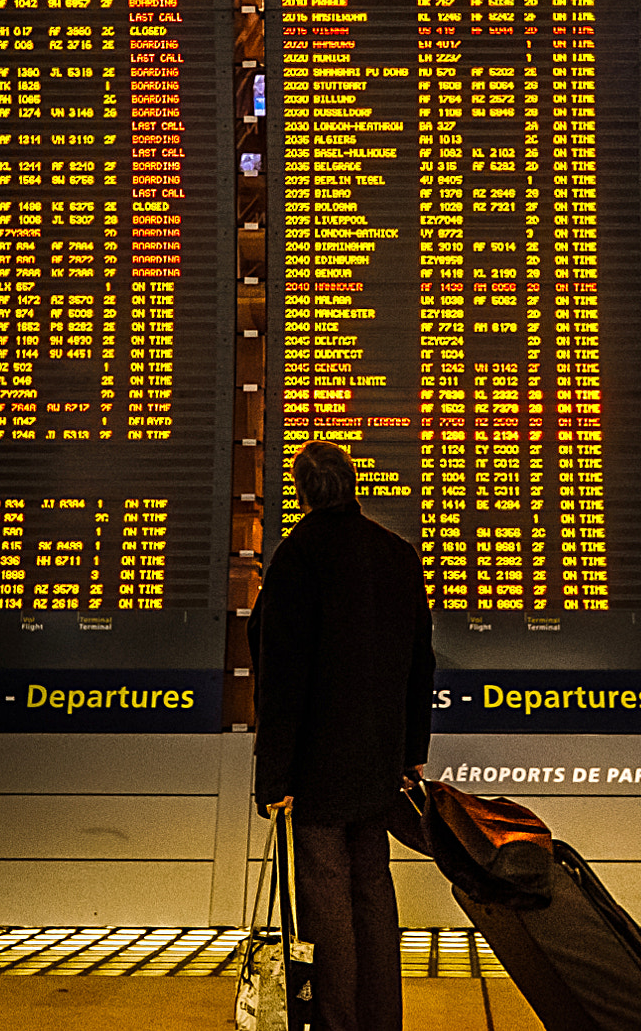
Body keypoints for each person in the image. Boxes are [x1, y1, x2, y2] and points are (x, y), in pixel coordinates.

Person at [249, 441, 434, 1031]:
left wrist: (274, 775)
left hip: (317, 769)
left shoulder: (298, 557)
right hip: (378, 764)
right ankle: (382, 1021)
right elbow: (419, 663)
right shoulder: (397, 555)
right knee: (373, 890)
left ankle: (336, 1022)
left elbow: (282, 676)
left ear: (302, 492)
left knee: (325, 896)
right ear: (355, 485)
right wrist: (410, 756)